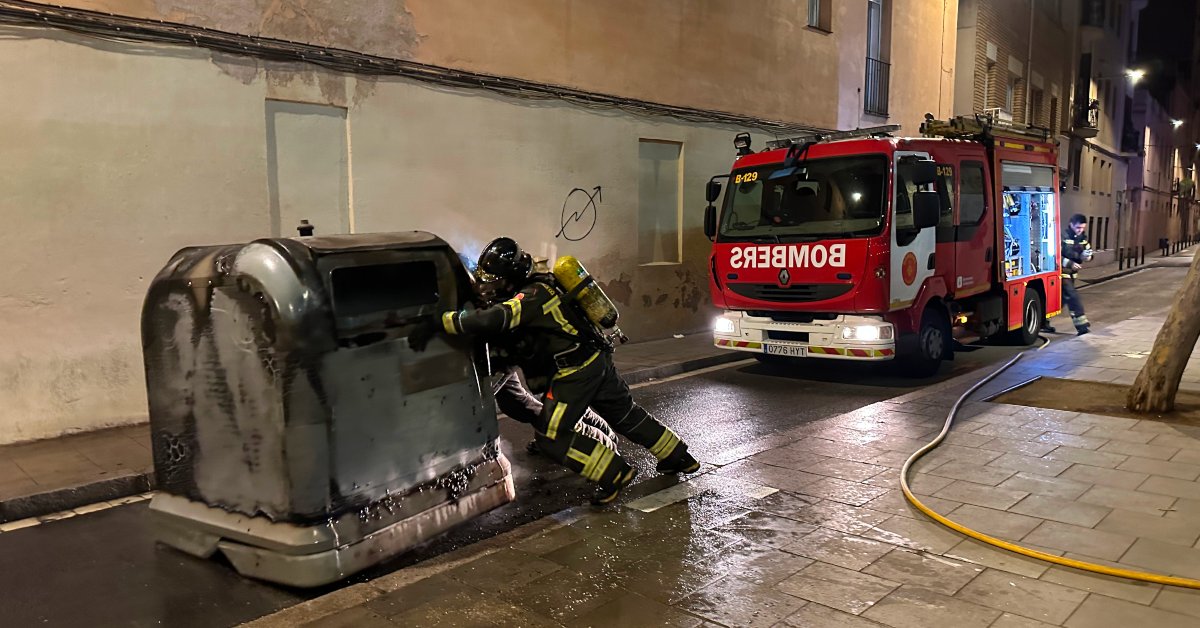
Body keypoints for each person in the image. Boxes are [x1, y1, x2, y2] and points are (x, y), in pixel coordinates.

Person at [410, 237, 700, 505]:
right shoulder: (544, 283)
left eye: (496, 281)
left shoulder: (531, 296)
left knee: (551, 436)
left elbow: (497, 319)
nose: (492, 286)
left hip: (575, 372)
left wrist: (444, 322)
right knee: (626, 415)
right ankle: (679, 457)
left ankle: (613, 473)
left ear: (510, 276)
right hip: (596, 360)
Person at [1055, 213, 1092, 335]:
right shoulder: (1062, 237)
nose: (1080, 230)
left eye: (1082, 228)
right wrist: (1069, 263)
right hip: (1062, 273)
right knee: (1072, 296)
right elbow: (1054, 255)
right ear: (1071, 224)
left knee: (1060, 301)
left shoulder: (1083, 239)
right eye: (1078, 228)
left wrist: (1088, 257)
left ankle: (1042, 322)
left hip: (1073, 275)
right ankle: (1082, 326)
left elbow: (1089, 253)